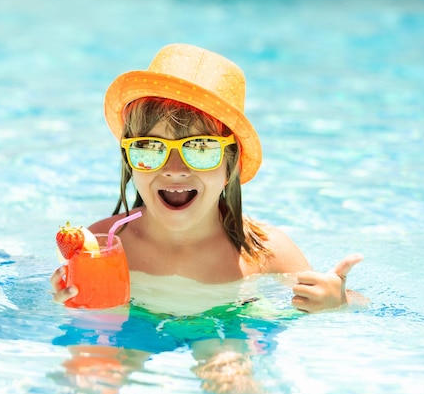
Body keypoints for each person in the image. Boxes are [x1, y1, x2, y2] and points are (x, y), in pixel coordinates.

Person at [51, 43, 365, 314]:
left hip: (227, 327)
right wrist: (64, 296)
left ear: (231, 165)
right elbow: (75, 311)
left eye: (201, 148)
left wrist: (338, 301)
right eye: (150, 147)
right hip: (136, 324)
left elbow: (347, 302)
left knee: (228, 367)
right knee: (96, 370)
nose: (174, 168)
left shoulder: (264, 253)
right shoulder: (105, 245)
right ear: (130, 160)